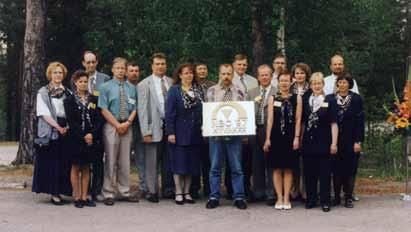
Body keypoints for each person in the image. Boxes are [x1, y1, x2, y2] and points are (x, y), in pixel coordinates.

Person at [205, 64, 247, 210]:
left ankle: (239, 197)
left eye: (229, 74)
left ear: (233, 74)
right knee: (215, 167)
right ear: (219, 74)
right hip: (216, 136)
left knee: (236, 168)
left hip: (235, 136)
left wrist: (244, 131)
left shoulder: (240, 91)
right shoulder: (211, 91)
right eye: (223, 74)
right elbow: (208, 112)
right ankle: (214, 197)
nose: (226, 77)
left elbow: (244, 113)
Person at [98, 57, 139, 206]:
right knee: (110, 160)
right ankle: (108, 192)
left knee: (125, 161)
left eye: (123, 68)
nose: (121, 71)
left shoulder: (131, 88)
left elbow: (135, 107)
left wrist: (127, 123)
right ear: (113, 70)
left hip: (127, 125)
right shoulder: (105, 87)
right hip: (112, 125)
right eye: (118, 68)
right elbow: (103, 108)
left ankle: (124, 191)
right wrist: (117, 125)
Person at [32, 62, 72, 205]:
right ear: (50, 74)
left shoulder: (68, 92)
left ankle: (62, 190)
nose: (58, 75)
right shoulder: (43, 92)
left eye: (60, 73)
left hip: (65, 129)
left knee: (63, 162)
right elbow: (44, 114)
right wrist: (58, 127)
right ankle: (54, 193)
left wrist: (67, 126)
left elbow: (71, 112)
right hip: (50, 129)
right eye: (55, 72)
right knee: (52, 163)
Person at [64, 70, 104, 208]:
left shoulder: (94, 99)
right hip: (76, 138)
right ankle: (77, 197)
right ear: (75, 83)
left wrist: (92, 134)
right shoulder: (69, 100)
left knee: (87, 167)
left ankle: (85, 196)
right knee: (75, 167)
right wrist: (82, 135)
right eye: (80, 81)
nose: (83, 84)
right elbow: (71, 121)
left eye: (85, 81)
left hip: (91, 138)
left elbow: (99, 119)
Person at [138, 52, 174, 203]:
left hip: (170, 127)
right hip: (153, 127)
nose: (160, 66)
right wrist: (145, 131)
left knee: (168, 160)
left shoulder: (172, 82)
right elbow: (142, 109)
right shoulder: (144, 84)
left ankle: (168, 189)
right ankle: (152, 191)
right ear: (152, 66)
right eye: (157, 64)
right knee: (152, 161)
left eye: (163, 64)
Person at [263, 71, 302, 210]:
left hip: (291, 137)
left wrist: (297, 138)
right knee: (277, 169)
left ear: (291, 82)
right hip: (276, 136)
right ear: (278, 83)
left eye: (287, 80)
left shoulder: (297, 98)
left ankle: (287, 198)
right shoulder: (273, 98)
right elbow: (270, 120)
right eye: (281, 81)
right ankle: (279, 197)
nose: (284, 83)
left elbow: (298, 120)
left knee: (289, 168)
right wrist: (267, 139)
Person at [165, 63, 203, 205]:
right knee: (179, 164)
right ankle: (178, 192)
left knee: (191, 165)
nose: (188, 75)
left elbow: (202, 110)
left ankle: (187, 192)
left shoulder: (197, 90)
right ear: (180, 75)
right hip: (179, 132)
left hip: (195, 132)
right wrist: (170, 132)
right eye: (185, 73)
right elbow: (169, 113)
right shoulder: (174, 91)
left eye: (190, 73)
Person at [301, 72, 338, 212]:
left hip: (324, 141)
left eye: (319, 83)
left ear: (323, 84)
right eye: (314, 83)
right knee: (309, 173)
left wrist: (334, 143)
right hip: (308, 142)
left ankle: (325, 201)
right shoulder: (306, 100)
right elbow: (303, 122)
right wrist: (300, 138)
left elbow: (334, 124)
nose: (316, 86)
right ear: (310, 85)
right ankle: (311, 199)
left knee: (324, 174)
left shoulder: (330, 100)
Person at [227, 54, 258, 200]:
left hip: (249, 122)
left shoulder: (253, 81)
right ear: (234, 65)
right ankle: (230, 188)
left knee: (247, 158)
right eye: (239, 64)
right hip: (232, 123)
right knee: (232, 157)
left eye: (244, 65)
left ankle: (246, 187)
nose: (241, 67)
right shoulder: (227, 79)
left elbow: (256, 100)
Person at [81, 50, 110, 202]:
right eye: (88, 62)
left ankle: (96, 190)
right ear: (83, 63)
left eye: (93, 62)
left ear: (97, 62)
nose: (91, 64)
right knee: (84, 161)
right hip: (84, 125)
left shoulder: (105, 79)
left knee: (98, 160)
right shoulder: (79, 78)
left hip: (100, 123)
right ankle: (82, 191)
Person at [332, 72, 364, 208]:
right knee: (336, 169)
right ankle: (337, 197)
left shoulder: (356, 99)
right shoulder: (330, 99)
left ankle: (348, 197)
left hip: (351, 140)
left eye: (345, 82)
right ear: (337, 84)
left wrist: (358, 141)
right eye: (340, 82)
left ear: (349, 84)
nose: (342, 84)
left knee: (350, 170)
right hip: (335, 140)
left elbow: (360, 121)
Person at [247, 65, 277, 204]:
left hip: (270, 130)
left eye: (267, 75)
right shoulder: (251, 92)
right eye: (262, 75)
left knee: (271, 160)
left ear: (271, 77)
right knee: (256, 161)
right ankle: (258, 192)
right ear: (258, 77)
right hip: (254, 129)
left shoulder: (276, 92)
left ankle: (271, 193)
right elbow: (246, 112)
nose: (264, 77)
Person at [190, 62, 215, 198]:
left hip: (210, 126)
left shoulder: (213, 85)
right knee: (195, 158)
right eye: (199, 69)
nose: (202, 71)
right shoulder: (191, 86)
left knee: (208, 159)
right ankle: (194, 187)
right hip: (194, 125)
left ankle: (209, 187)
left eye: (204, 68)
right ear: (195, 71)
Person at [290, 62, 312, 201]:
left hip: (306, 126)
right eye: (297, 73)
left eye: (302, 73)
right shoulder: (288, 88)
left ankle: (305, 189)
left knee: (305, 158)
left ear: (306, 75)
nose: (299, 75)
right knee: (292, 158)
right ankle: (294, 188)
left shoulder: (312, 89)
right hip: (290, 127)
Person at [126, 61, 147, 198]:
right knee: (122, 158)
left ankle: (143, 187)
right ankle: (120, 188)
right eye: (131, 70)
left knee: (141, 158)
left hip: (140, 126)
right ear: (127, 72)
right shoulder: (122, 87)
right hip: (125, 126)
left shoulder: (143, 87)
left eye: (136, 70)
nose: (134, 73)